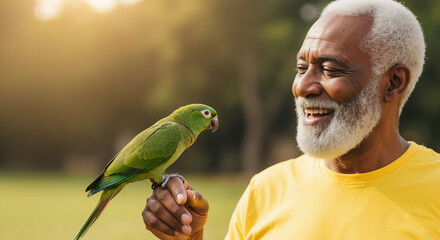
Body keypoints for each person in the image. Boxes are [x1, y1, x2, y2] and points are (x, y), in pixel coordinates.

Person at [142, 0, 440, 239]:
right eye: (301, 68)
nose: (302, 87)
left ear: (393, 83)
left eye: (331, 69)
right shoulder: (266, 189)